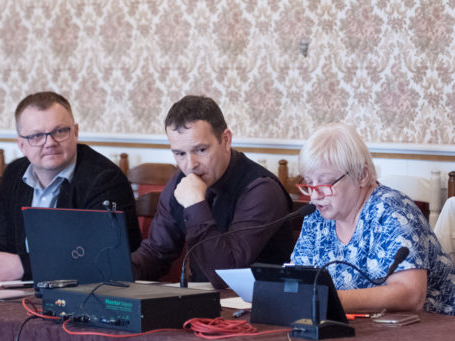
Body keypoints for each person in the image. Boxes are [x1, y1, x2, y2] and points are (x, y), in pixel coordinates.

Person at [0, 91, 141, 281]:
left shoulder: (104, 179)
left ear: (75, 132)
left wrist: (23, 266)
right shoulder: (14, 174)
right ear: (21, 145)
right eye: (37, 136)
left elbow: (103, 254)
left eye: (60, 131)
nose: (50, 143)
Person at [291, 122, 454, 315]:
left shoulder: (393, 211)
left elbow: (410, 295)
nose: (315, 195)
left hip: (434, 326)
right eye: (309, 184)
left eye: (325, 183)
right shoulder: (317, 215)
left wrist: (330, 299)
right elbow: (299, 280)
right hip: (362, 326)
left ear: (361, 175)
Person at [131, 95, 294, 288]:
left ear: (226, 140)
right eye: (180, 153)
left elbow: (226, 276)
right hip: (203, 300)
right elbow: (157, 252)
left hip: (257, 302)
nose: (190, 165)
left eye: (201, 150)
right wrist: (114, 272)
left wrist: (195, 205)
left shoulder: (261, 190)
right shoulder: (180, 180)